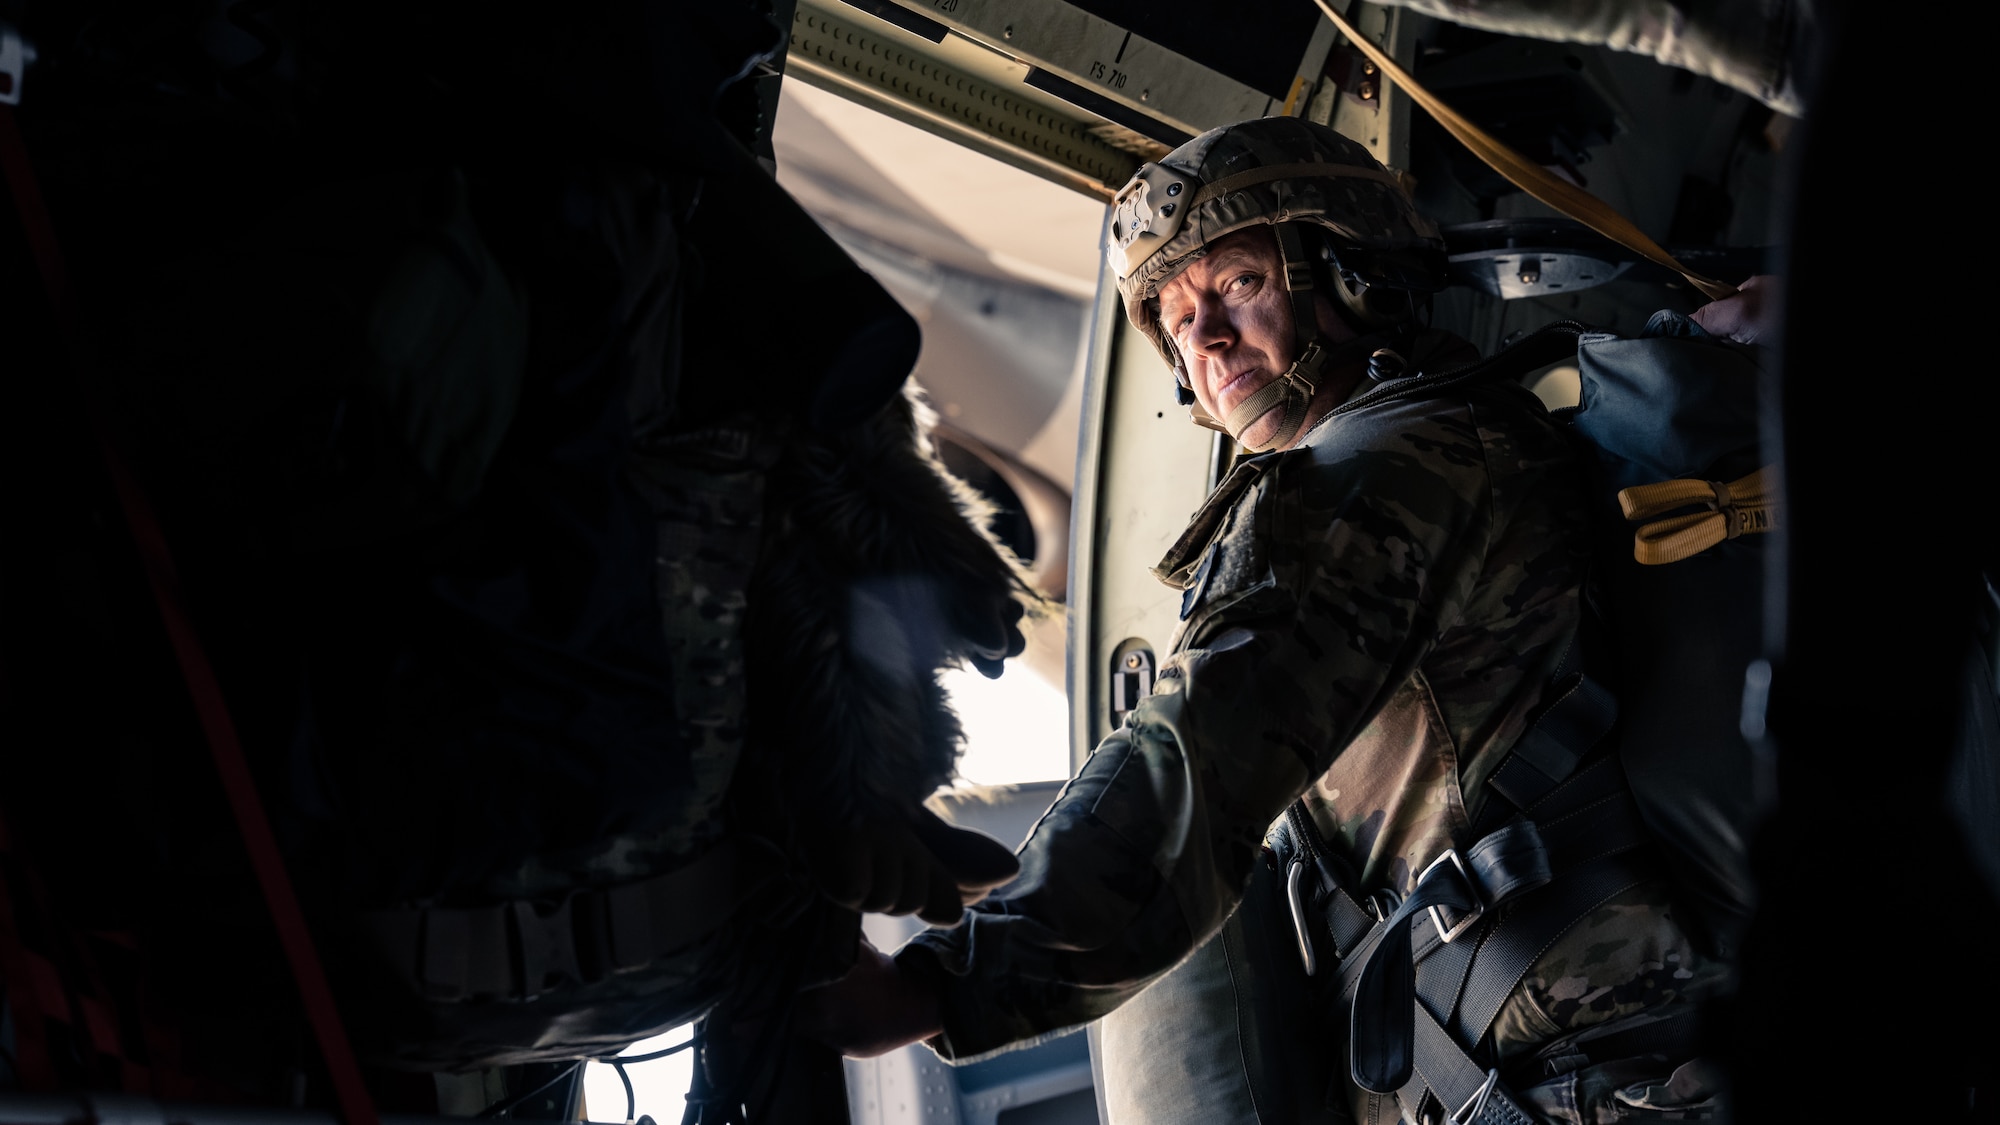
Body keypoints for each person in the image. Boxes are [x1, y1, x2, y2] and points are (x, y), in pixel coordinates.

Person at [801, 116, 1748, 1124]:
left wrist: (930, 988)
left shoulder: (1371, 471)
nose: (1202, 340)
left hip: (1583, 1065)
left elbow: (1199, 759)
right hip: (1598, 1055)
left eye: (1238, 284)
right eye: (1173, 318)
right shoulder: (1464, 427)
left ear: (1349, 275)